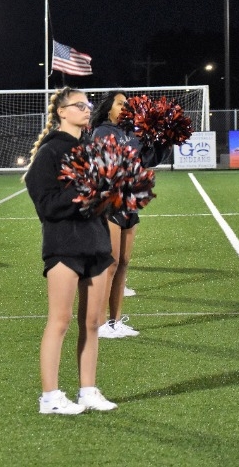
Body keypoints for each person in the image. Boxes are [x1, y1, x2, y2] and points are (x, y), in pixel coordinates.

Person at [24, 87, 118, 415]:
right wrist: (80, 191)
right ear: (61, 111)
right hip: (63, 244)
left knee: (92, 322)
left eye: (88, 105)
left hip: (95, 242)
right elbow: (44, 202)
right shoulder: (50, 151)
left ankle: (88, 390)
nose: (86, 109)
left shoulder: (92, 147)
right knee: (60, 320)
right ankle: (49, 397)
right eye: (79, 105)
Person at [90, 91, 168, 339]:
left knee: (123, 262)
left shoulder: (131, 132)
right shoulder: (102, 131)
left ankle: (114, 322)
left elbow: (148, 159)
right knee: (109, 264)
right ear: (108, 109)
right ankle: (100, 324)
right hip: (109, 200)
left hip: (130, 199)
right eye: (120, 103)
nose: (125, 107)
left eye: (127, 104)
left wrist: (160, 138)